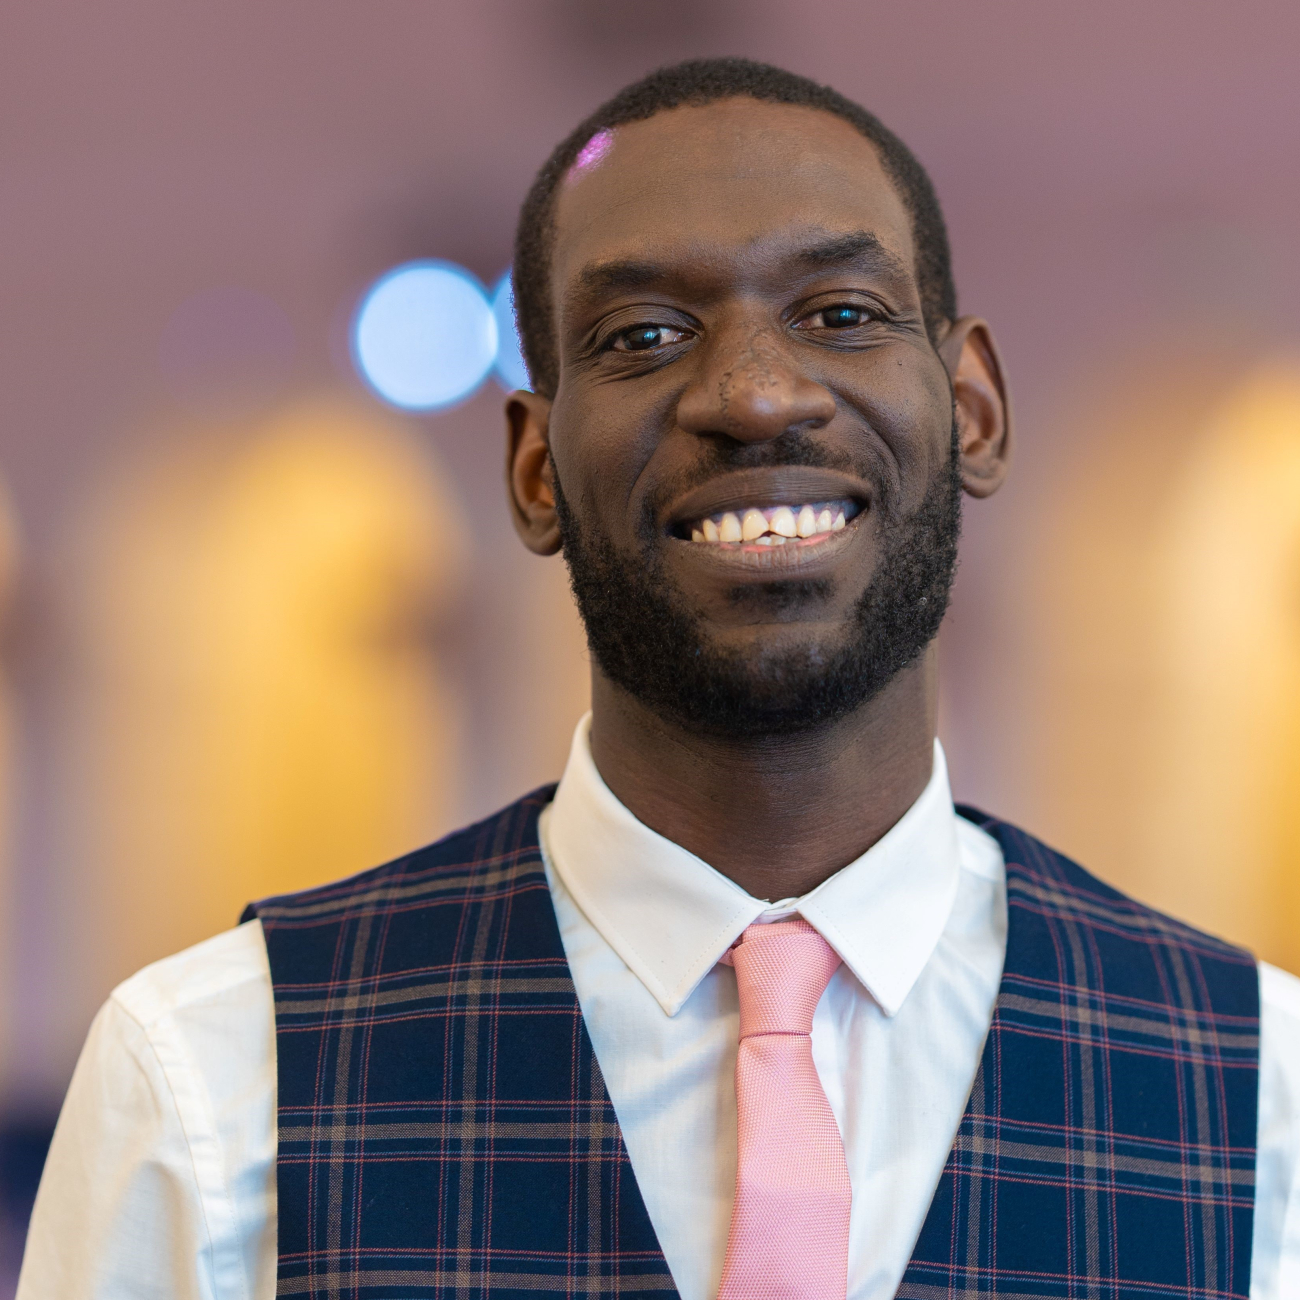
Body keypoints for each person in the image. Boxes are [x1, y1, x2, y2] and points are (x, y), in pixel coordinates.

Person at [17, 57, 1300, 1300]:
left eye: (841, 315)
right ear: (533, 470)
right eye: (644, 334)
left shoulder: (1263, 1095)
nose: (754, 396)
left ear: (973, 410)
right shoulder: (215, 1081)